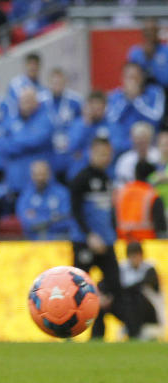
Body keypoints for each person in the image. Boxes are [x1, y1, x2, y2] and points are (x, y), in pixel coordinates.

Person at [68, 137, 121, 340]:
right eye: (101, 153)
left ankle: (97, 335)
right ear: (91, 153)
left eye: (108, 154)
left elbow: (109, 211)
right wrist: (89, 235)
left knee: (113, 284)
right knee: (77, 291)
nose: (105, 158)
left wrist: (111, 234)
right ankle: (68, 332)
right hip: (85, 242)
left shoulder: (107, 179)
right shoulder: (81, 178)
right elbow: (75, 210)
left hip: (106, 242)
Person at [1, 87, 54, 196]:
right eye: (24, 100)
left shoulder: (45, 119)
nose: (27, 104)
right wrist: (24, 141)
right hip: (15, 180)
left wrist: (15, 141)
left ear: (37, 102)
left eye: (30, 100)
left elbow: (36, 141)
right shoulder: (10, 119)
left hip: (39, 181)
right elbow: (2, 144)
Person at [107, 62, 165, 156]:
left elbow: (156, 118)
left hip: (149, 147)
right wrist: (127, 99)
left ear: (142, 77)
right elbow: (111, 119)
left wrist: (137, 100)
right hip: (121, 147)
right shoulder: (115, 96)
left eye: (135, 77)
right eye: (129, 77)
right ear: (122, 78)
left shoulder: (155, 92)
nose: (132, 81)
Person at [116, 241, 165, 341]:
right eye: (132, 256)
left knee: (136, 297)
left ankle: (134, 331)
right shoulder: (123, 268)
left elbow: (141, 286)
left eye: (137, 256)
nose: (135, 260)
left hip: (151, 312)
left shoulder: (150, 268)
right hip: (130, 310)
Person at [15, 160, 73, 240]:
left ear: (50, 174)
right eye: (37, 175)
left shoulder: (62, 193)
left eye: (43, 174)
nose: (40, 178)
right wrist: (52, 219)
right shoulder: (26, 195)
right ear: (31, 175)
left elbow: (67, 219)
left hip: (59, 239)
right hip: (32, 240)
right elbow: (26, 221)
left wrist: (41, 221)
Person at [114, 161, 166, 241]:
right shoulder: (152, 195)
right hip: (148, 244)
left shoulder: (121, 193)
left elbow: (113, 218)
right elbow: (160, 225)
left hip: (123, 244)